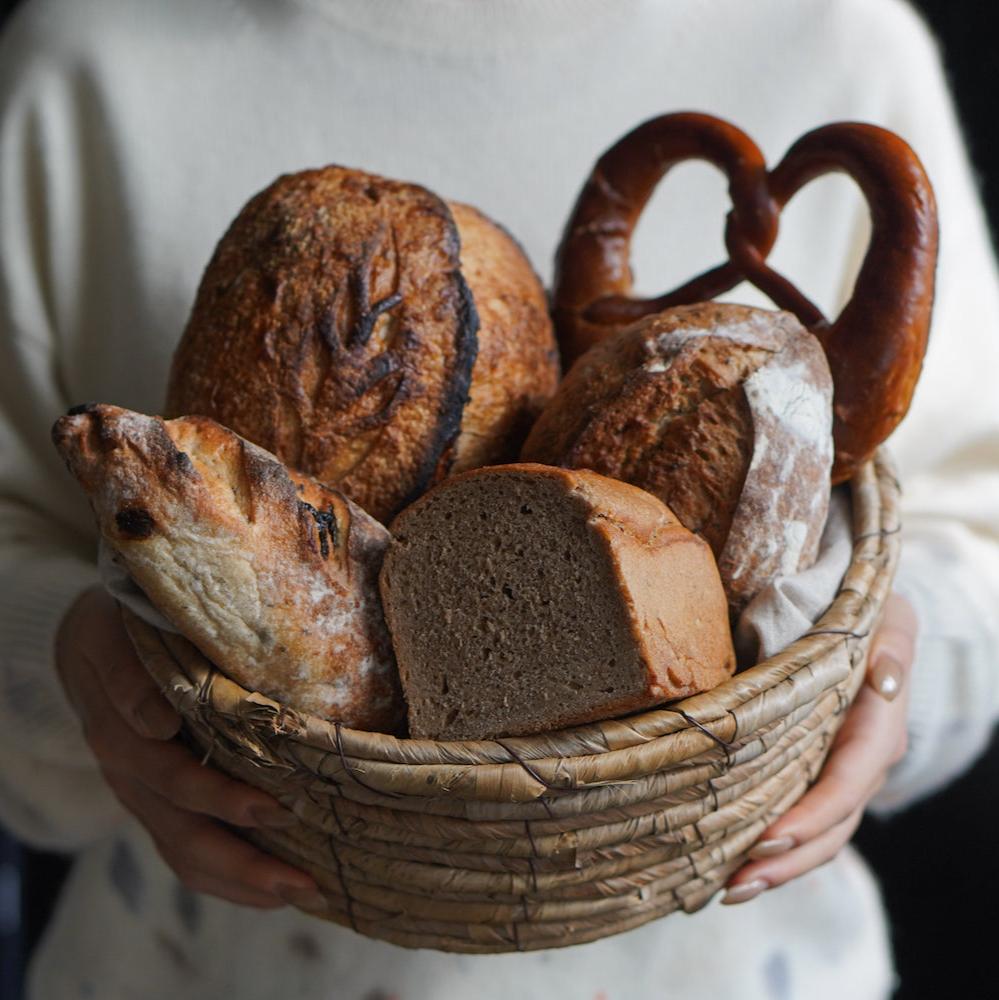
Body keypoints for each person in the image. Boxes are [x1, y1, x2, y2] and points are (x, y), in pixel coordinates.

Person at [1, 0, 997, 997]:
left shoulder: (840, 39)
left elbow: (977, 542)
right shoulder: (86, 57)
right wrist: (74, 662)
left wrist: (890, 662)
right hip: (189, 960)